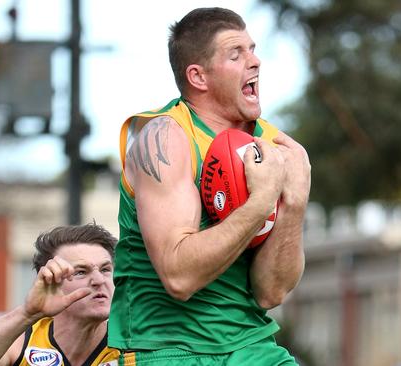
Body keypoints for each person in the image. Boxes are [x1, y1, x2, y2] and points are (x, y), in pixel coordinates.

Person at [108, 7, 311, 366]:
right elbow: (179, 276)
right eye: (237, 54)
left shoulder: (275, 147)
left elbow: (271, 292)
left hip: (252, 346)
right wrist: (262, 199)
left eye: (253, 49)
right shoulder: (165, 138)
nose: (256, 61)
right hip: (167, 347)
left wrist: (294, 204)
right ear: (198, 77)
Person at [0, 223, 119, 366]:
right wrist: (28, 313)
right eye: (81, 271)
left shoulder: (132, 344)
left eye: (105, 269)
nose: (99, 280)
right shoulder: (23, 343)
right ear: (49, 281)